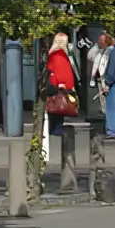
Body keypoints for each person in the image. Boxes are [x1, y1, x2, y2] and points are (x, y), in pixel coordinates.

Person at [41, 32, 80, 165]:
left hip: (53, 83)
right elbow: (62, 70)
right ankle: (56, 129)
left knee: (55, 105)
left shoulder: (53, 53)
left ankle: (55, 128)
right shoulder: (60, 54)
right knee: (60, 105)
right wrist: (64, 83)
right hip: (59, 84)